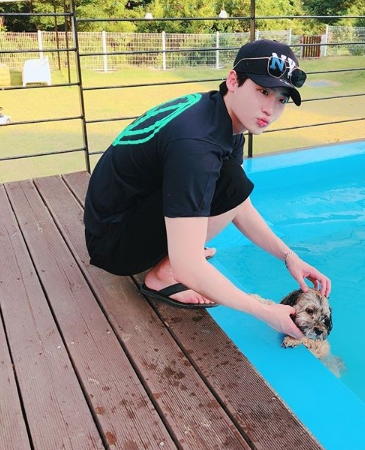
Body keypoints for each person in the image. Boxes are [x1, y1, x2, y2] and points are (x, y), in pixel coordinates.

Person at [84, 39, 331, 339]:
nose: (270, 108)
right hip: (113, 244)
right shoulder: (197, 145)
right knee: (201, 235)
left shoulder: (222, 115)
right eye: (262, 91)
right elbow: (191, 268)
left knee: (232, 181)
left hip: (119, 216)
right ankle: (163, 275)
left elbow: (236, 202)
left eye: (281, 99)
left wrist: (288, 256)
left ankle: (177, 252)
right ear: (233, 80)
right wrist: (265, 312)